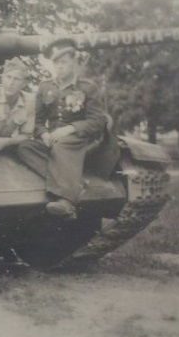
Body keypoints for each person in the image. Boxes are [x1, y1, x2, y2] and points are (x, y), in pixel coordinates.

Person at [16, 39, 109, 219]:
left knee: (61, 146)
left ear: (74, 62)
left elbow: (98, 121)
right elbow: (39, 122)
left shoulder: (87, 87)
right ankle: (75, 183)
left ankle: (67, 202)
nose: (59, 67)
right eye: (56, 63)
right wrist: (43, 134)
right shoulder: (45, 87)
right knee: (24, 148)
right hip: (54, 138)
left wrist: (70, 129)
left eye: (64, 62)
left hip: (81, 137)